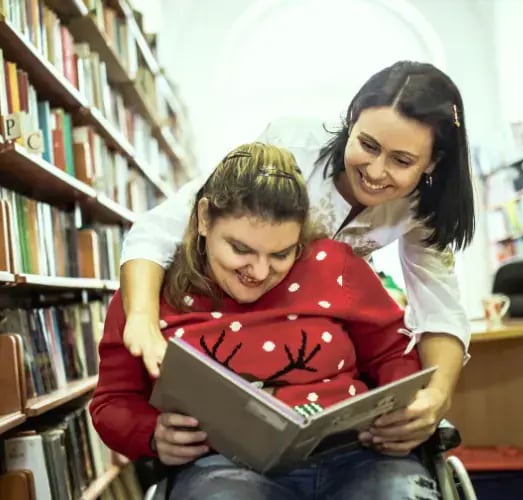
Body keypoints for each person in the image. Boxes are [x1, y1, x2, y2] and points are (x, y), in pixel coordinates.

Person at [119, 61, 476, 455]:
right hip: (243, 329)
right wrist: (141, 319)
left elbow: (440, 306)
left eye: (402, 161)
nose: (376, 171)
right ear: (351, 121)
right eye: (368, 145)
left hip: (328, 351)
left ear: (433, 163)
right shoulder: (289, 144)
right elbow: (161, 230)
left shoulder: (424, 205)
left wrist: (438, 397)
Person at [89, 143, 439, 500]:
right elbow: (112, 402)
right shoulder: (150, 293)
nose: (258, 272)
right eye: (240, 250)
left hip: (358, 456)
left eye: (281, 254)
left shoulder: (335, 266)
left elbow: (394, 353)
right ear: (204, 218)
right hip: (222, 467)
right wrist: (152, 433)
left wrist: (403, 409)